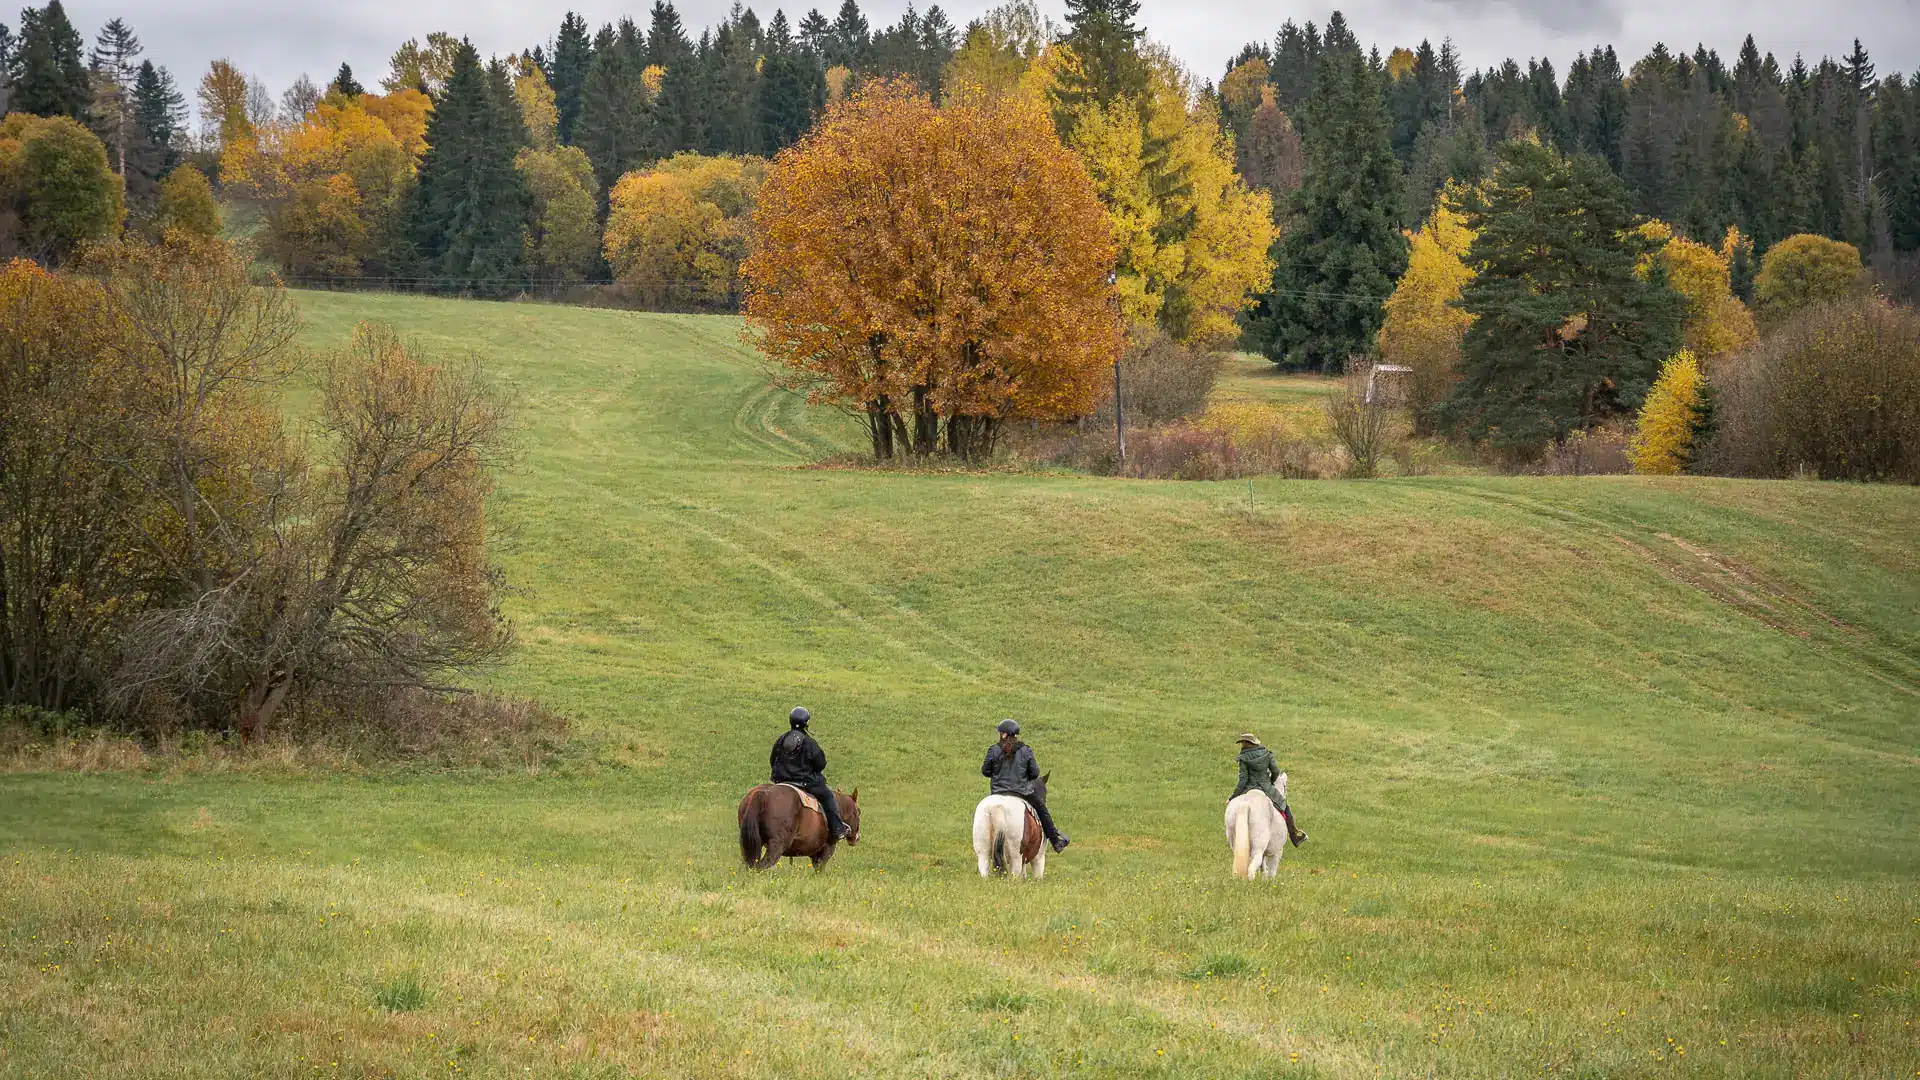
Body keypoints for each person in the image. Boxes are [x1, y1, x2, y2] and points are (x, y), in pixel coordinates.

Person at [982, 719, 1069, 852]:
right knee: (1041, 808)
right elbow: (1035, 773)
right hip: (1021, 792)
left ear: (1004, 734)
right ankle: (1055, 840)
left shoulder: (993, 750)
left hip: (998, 793)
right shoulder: (1025, 750)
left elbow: (985, 771)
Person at [770, 706, 849, 841]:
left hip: (781, 781)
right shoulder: (809, 742)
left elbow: (772, 760)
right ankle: (838, 829)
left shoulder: (781, 739)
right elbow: (820, 764)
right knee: (828, 796)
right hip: (804, 782)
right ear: (806, 723)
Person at [1233, 733, 1306, 846]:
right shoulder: (1267, 754)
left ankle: (1232, 837)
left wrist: (1233, 796)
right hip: (1266, 788)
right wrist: (1270, 781)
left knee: (1234, 809)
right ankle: (1295, 836)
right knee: (1284, 807)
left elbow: (1243, 780)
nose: (1241, 744)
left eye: (1242, 742)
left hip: (1248, 789)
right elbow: (1276, 771)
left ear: (1247, 743)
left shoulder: (1243, 758)